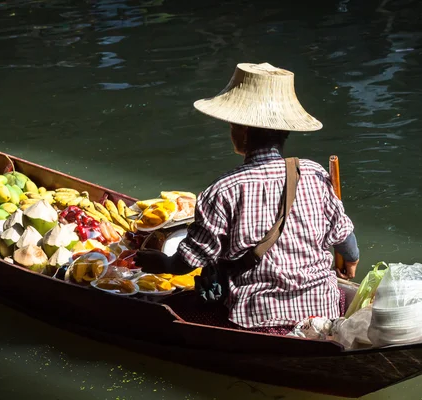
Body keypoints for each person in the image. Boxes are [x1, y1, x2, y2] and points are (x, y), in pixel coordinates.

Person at [134, 62, 360, 334]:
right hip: (322, 308)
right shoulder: (313, 172)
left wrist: (164, 264)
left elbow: (191, 260)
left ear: (241, 130)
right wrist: (351, 261)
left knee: (180, 311)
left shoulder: (223, 189)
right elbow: (345, 237)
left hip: (256, 317)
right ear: (284, 132)